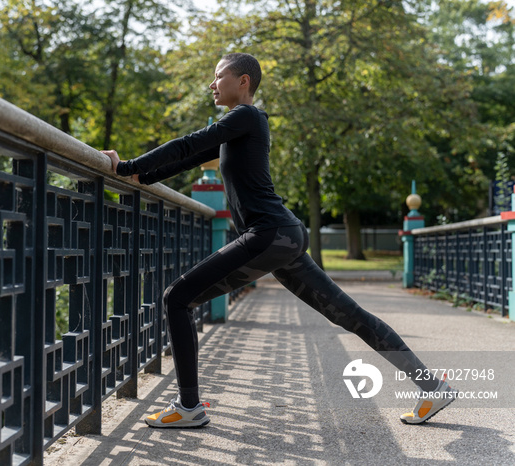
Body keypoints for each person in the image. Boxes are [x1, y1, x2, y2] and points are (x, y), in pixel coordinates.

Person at [102, 52, 456, 428]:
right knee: (348, 315)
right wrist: (143, 177)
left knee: (177, 298)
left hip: (270, 234)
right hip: (284, 237)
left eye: (219, 75)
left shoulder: (247, 116)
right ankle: (431, 385)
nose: (212, 84)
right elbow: (191, 157)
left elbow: (189, 142)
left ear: (243, 82)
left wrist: (126, 166)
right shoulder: (238, 128)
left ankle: (189, 407)